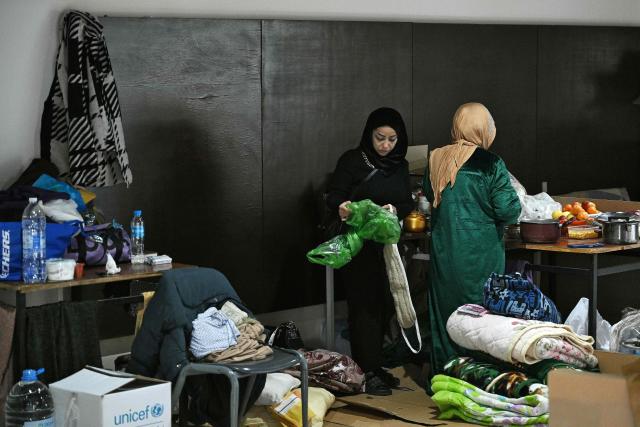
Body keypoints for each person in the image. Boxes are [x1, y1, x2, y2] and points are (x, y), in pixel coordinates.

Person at [423, 102, 521, 374]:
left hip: (444, 254)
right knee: (480, 319)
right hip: (481, 256)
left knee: (446, 313)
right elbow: (508, 209)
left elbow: (431, 198)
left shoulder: (435, 159)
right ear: (485, 129)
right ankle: (478, 376)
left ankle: (445, 375)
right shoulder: (490, 163)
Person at [326, 107, 413, 395]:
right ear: (369, 134)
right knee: (364, 306)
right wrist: (344, 207)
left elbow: (406, 202)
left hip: (387, 245)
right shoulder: (352, 161)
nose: (386, 145)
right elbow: (334, 196)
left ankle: (375, 366)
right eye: (380, 138)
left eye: (392, 139)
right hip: (358, 243)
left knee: (384, 303)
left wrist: (393, 209)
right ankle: (366, 371)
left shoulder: (399, 165)